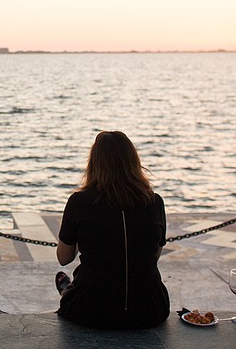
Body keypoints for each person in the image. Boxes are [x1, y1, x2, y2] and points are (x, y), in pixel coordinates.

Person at [54, 131, 170, 329]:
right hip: (151, 309)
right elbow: (154, 255)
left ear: (94, 163)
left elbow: (64, 258)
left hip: (90, 310)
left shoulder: (79, 202)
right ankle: (72, 289)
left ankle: (69, 290)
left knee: (82, 284)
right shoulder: (154, 202)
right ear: (133, 161)